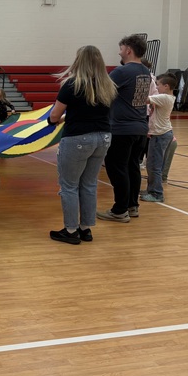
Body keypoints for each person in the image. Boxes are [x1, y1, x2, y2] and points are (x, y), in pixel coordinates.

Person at [47, 46, 117, 245]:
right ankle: (86, 228)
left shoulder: (72, 84)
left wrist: (55, 121)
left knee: (69, 185)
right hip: (103, 138)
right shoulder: (108, 85)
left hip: (78, 138)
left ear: (79, 61)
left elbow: (54, 115)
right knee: (89, 184)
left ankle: (71, 230)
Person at [97, 35, 152, 223]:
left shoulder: (122, 71)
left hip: (122, 129)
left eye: (121, 48)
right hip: (139, 128)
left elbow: (101, 91)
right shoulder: (145, 71)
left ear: (128, 50)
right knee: (132, 167)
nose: (119, 52)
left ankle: (120, 210)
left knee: (116, 168)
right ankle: (132, 206)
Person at [140, 74, 177, 203]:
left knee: (155, 165)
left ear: (166, 86)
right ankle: (151, 189)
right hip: (159, 134)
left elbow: (143, 99)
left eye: (158, 84)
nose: (156, 87)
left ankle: (157, 193)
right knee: (151, 164)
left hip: (161, 135)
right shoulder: (165, 97)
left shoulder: (164, 97)